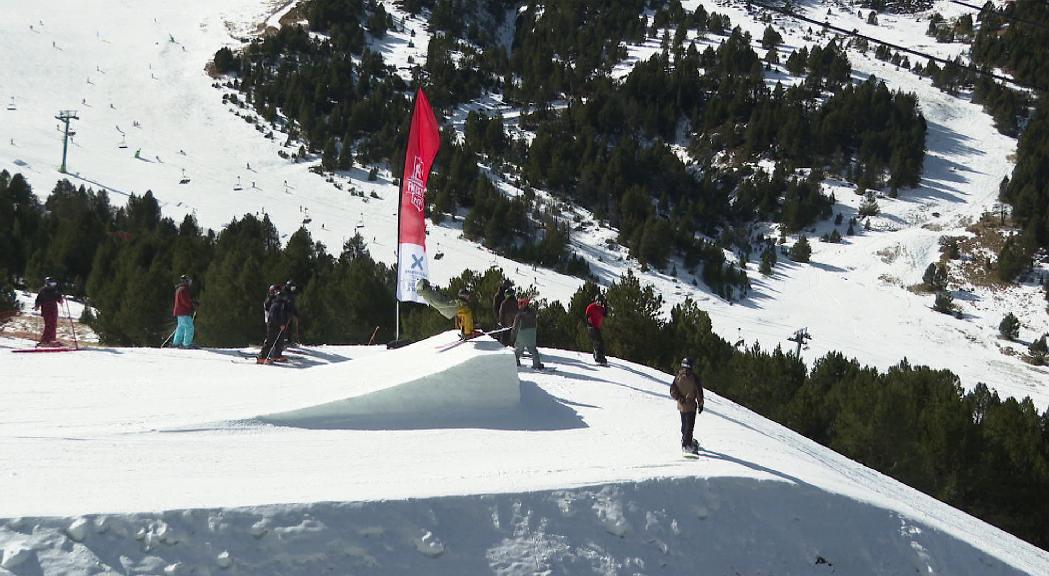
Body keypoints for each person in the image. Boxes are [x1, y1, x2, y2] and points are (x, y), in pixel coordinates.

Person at [669, 357, 704, 454]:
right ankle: (686, 445)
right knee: (689, 426)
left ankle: (685, 439)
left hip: (681, 406)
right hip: (691, 406)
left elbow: (672, 391)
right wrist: (701, 404)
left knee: (684, 424)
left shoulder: (678, 376)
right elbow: (698, 392)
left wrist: (680, 398)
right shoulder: (694, 378)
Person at [258, 287, 292, 364]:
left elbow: (283, 315)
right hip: (273, 326)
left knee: (280, 341)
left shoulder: (282, 305)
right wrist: (280, 324)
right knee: (270, 341)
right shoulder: (276, 305)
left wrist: (284, 323)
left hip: (280, 326)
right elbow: (273, 317)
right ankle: (262, 357)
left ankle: (277, 355)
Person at [511, 297, 544, 370]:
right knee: (533, 349)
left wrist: (513, 334)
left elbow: (515, 326)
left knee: (519, 349)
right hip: (532, 334)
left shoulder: (519, 314)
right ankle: (537, 363)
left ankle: (515, 362)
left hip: (522, 334)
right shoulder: (532, 312)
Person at [33, 277, 64, 347]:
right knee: (49, 324)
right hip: (46, 308)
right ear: (48, 283)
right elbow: (38, 299)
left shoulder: (55, 290)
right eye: (52, 283)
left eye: (54, 283)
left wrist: (61, 300)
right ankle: (45, 340)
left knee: (54, 323)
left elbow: (58, 297)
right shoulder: (43, 290)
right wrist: (37, 305)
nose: (53, 285)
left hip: (54, 307)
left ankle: (52, 339)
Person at [171, 275, 196, 348]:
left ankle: (176, 342)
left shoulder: (179, 289)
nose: (190, 283)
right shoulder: (184, 289)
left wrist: (192, 302)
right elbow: (185, 301)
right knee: (189, 327)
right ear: (186, 281)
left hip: (179, 311)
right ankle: (186, 344)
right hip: (183, 311)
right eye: (189, 281)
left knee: (181, 327)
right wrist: (192, 306)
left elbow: (183, 300)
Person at [584, 292, 608, 365]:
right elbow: (586, 316)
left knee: (600, 341)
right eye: (597, 301)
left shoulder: (601, 308)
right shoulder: (591, 307)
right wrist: (589, 322)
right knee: (598, 341)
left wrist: (606, 306)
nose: (598, 303)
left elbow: (605, 314)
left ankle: (599, 355)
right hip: (591, 326)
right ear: (595, 300)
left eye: (600, 301)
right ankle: (598, 356)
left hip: (597, 327)